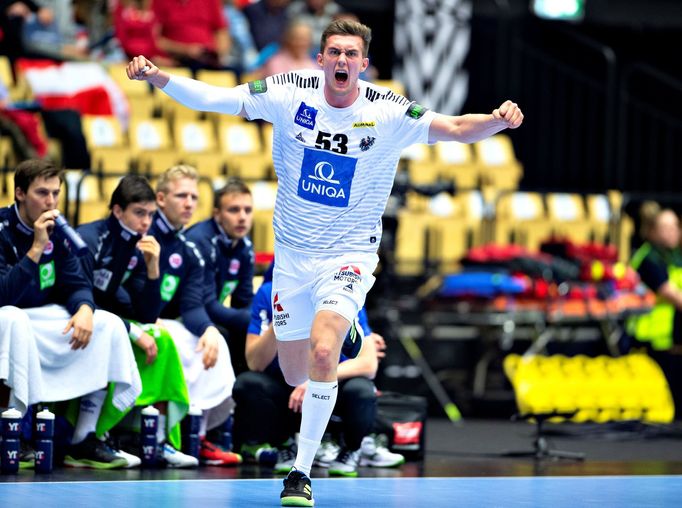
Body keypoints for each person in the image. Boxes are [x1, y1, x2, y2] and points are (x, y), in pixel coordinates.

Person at [126, 18, 523, 506]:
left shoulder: (387, 110)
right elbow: (218, 98)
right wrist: (157, 78)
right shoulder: (289, 92)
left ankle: (300, 471)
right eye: (333, 52)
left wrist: (497, 120)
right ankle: (334, 340)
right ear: (320, 59)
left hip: (349, 256)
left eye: (351, 54)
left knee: (322, 354)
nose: (341, 61)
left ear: (363, 63)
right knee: (295, 373)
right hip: (293, 259)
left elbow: (458, 128)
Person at [0, 159, 142, 468]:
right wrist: (36, 249)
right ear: (20, 193)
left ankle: (85, 436)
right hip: (8, 317)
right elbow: (3, 293)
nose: (50, 202)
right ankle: (14, 429)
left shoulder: (60, 231)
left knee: (107, 323)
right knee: (13, 317)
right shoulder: (2, 227)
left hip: (41, 318)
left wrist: (85, 308)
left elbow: (76, 282)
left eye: (55, 193)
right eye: (42, 193)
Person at [233, 266, 403, 477]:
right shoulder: (269, 293)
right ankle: (285, 446)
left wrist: (312, 381)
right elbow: (255, 363)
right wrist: (283, 317)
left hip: (328, 383)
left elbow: (369, 363)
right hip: (287, 388)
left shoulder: (344, 288)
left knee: (362, 389)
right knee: (248, 384)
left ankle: (350, 450)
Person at [77, 175, 197, 468]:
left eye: (150, 215)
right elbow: (84, 297)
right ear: (118, 211)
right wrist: (129, 329)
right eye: (139, 213)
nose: (146, 222)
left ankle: (152, 437)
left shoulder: (137, 246)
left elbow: (146, 314)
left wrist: (153, 268)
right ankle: (85, 435)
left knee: (159, 335)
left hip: (105, 316)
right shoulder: (91, 239)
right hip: (75, 314)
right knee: (112, 331)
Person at [149, 164, 241, 465]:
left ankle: (197, 437)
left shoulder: (188, 248)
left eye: (193, 197)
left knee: (214, 342)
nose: (189, 203)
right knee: (167, 337)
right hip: (137, 319)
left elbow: (192, 305)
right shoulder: (145, 233)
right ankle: (158, 437)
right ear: (161, 199)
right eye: (181, 196)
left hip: (165, 321)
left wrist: (208, 329)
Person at [185, 177, 254, 375]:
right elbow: (207, 305)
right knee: (228, 334)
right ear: (217, 214)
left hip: (212, 314)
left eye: (247, 210)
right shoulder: (200, 241)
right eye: (234, 210)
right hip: (187, 315)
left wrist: (255, 320)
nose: (242, 217)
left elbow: (244, 300)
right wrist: (253, 321)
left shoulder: (244, 247)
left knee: (251, 333)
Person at [629, 202, 682, 416]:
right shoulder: (649, 258)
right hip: (654, 338)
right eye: (665, 228)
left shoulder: (674, 255)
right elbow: (671, 293)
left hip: (673, 337)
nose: (671, 232)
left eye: (674, 227)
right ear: (651, 231)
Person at [152, 0, 231, 70]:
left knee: (235, 71)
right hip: (177, 61)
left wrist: (217, 53)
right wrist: (186, 50)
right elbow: (155, 39)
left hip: (208, 60)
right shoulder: (160, 2)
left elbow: (222, 32)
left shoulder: (211, 1)